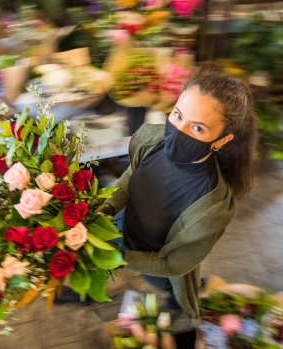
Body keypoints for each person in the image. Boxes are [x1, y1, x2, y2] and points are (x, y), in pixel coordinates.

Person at [102, 64, 258, 319]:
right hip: (125, 230)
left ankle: (181, 301)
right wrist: (106, 207)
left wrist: (119, 258)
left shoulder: (210, 208)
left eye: (198, 128)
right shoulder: (151, 142)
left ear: (222, 140)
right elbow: (132, 175)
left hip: (154, 260)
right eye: (177, 115)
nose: (178, 133)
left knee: (171, 289)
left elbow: (171, 264)